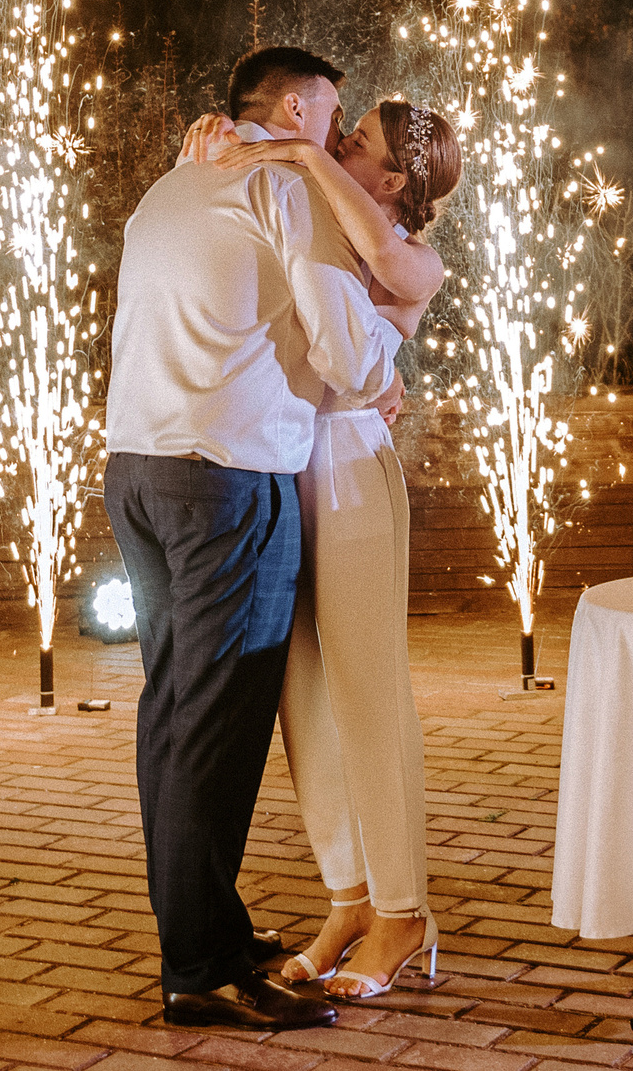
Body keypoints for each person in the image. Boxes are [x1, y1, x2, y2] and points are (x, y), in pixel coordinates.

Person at [102, 46, 405, 1031]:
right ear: (288, 107)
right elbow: (349, 351)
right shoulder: (281, 183)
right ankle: (197, 965)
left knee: (174, 711)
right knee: (219, 724)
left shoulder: (175, 180)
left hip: (138, 467)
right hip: (226, 475)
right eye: (332, 112)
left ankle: (211, 932)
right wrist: (385, 360)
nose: (340, 128)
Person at [179, 97, 463, 1001]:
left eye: (359, 143)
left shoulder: (411, 258)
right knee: (302, 698)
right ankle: (349, 896)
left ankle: (405, 909)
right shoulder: (312, 213)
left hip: (349, 477)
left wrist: (301, 150)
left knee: (368, 695)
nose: (339, 143)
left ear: (393, 180)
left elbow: (363, 325)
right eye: (341, 131)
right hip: (283, 470)